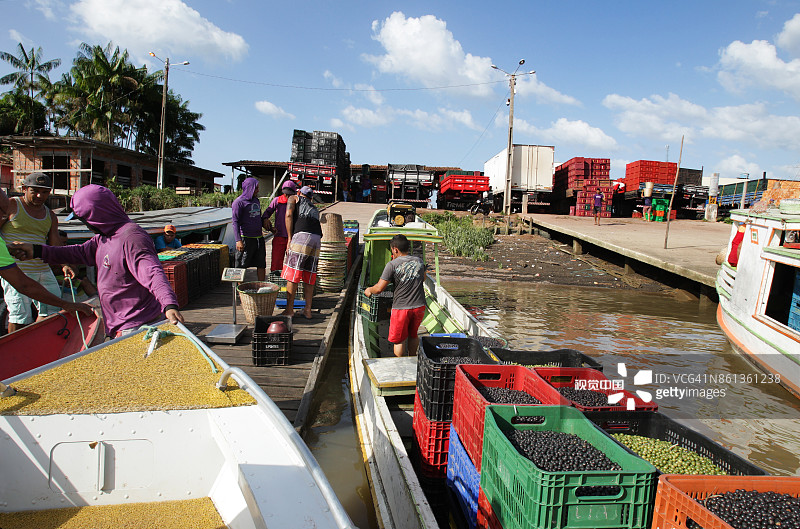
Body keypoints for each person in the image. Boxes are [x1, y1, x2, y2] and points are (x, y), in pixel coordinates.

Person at [9, 184, 184, 337]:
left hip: (137, 325)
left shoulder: (132, 238)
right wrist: (37, 250)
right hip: (117, 324)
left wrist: (169, 304)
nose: (86, 224)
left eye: (85, 220)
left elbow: (153, 273)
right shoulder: (103, 238)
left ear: (96, 215)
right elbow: (76, 253)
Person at [0, 172, 76, 332]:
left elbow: (55, 244)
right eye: (35, 191)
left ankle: (40, 346)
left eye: (45, 192)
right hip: (15, 269)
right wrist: (8, 250)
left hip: (42, 269)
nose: (40, 195)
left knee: (52, 313)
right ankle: (15, 351)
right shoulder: (11, 205)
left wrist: (64, 264)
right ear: (24, 189)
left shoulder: (50, 215)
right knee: (19, 316)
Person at [364, 234, 426, 357]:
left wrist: (369, 290)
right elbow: (422, 279)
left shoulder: (392, 265)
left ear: (395, 249)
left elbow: (379, 289)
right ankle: (412, 358)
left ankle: (400, 363)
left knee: (399, 340)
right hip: (419, 306)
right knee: (413, 335)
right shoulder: (419, 261)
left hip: (401, 308)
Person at [280, 186, 321, 320]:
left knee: (293, 274)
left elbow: (288, 215)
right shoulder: (314, 207)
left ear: (299, 193)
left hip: (301, 237)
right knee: (309, 275)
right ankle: (307, 310)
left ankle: (289, 310)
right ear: (310, 197)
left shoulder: (294, 198)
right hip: (316, 239)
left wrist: (290, 238)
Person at [232, 177, 267, 281]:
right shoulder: (238, 202)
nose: (258, 190)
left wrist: (266, 223)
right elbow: (235, 222)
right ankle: (240, 291)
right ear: (249, 188)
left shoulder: (256, 200)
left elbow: (258, 217)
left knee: (261, 263)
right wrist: (238, 240)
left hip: (259, 238)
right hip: (245, 238)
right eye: (256, 188)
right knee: (241, 264)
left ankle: (262, 286)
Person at [262, 180, 297, 274]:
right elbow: (266, 214)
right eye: (286, 194)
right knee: (276, 262)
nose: (287, 196)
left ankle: (291, 285)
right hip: (279, 236)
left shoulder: (297, 202)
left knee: (293, 263)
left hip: (294, 237)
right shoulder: (277, 201)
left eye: (290, 194)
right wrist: (269, 226)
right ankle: (275, 282)